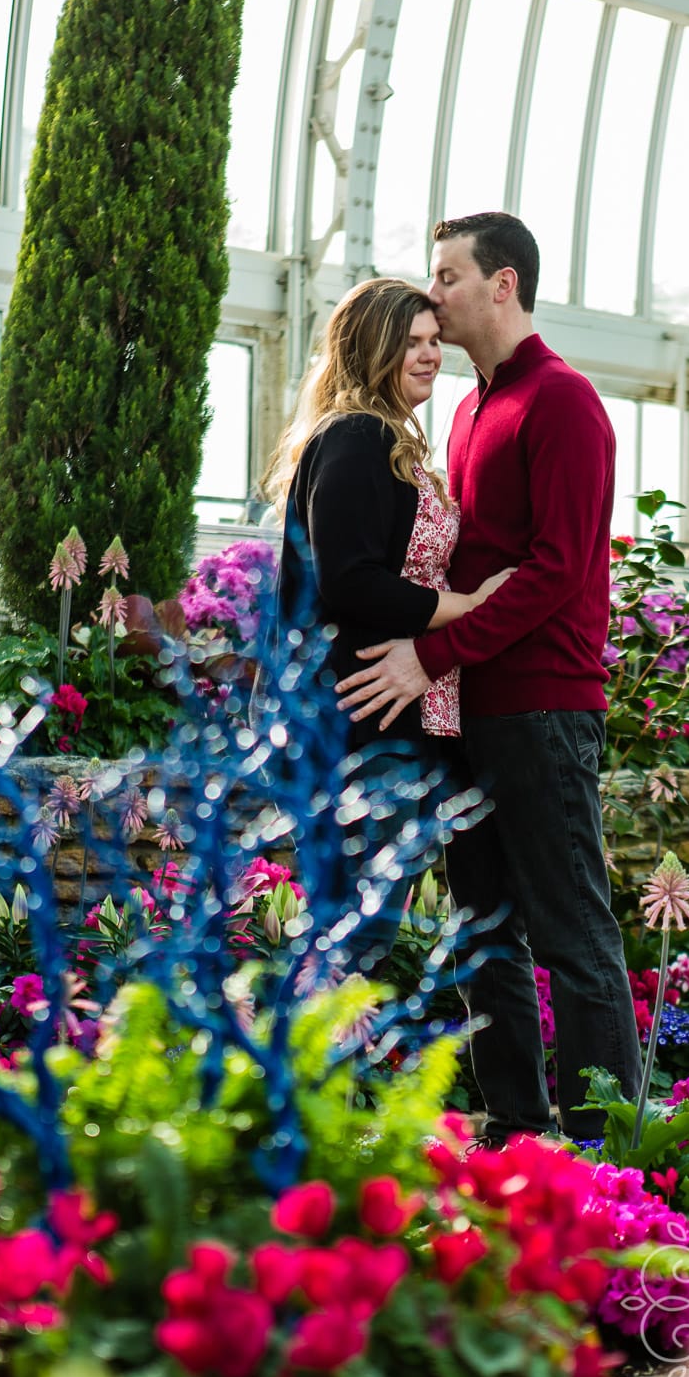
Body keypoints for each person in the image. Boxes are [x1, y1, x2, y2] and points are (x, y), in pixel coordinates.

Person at [336, 213, 642, 1142]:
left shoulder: (564, 402)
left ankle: (605, 1156)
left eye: (449, 277)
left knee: (572, 936)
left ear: (502, 285)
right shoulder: (469, 411)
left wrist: (428, 653)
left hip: (543, 707)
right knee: (481, 931)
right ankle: (515, 1130)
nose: (434, 295)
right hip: (467, 711)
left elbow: (556, 570)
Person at [264, 275, 512, 973]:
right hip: (359, 728)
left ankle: (312, 1076)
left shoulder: (382, 438)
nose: (430, 355)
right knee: (354, 941)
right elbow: (350, 581)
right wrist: (466, 607)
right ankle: (301, 1076)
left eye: (435, 341)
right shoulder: (357, 437)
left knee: (354, 938)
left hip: (384, 726)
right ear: (371, 349)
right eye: (410, 343)